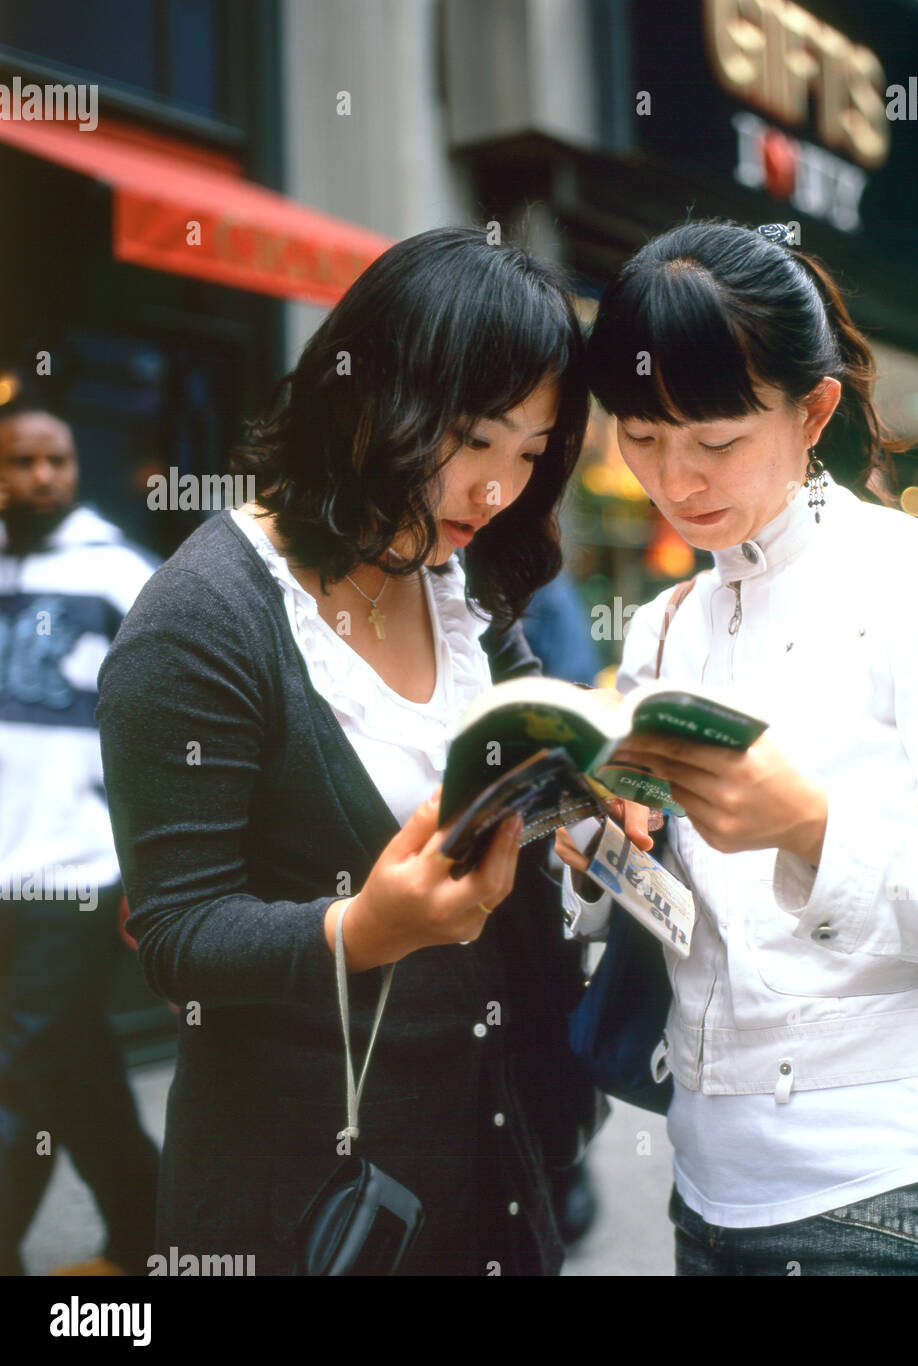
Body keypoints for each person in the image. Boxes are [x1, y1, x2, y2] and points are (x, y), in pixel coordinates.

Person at [555, 219, 918, 1276]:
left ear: (813, 408)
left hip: (897, 1193)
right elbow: (686, 931)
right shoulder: (660, 628)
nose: (674, 478)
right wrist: (604, 858)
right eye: (640, 437)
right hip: (705, 1192)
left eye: (716, 440)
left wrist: (815, 830)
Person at [96, 227, 594, 1275]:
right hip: (307, 1205)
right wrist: (362, 929)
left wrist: (595, 798)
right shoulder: (203, 618)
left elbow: (512, 801)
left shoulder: (454, 587)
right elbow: (179, 933)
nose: (497, 491)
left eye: (532, 454)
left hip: (493, 1174)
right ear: (364, 397)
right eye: (473, 439)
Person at [0, 396, 161, 1275]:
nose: (41, 477)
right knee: (75, 1066)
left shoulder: (119, 573)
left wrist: (149, 864)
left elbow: (166, 732)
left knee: (18, 1074)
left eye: (56, 460)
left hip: (74, 871)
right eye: (21, 462)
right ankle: (151, 1236)